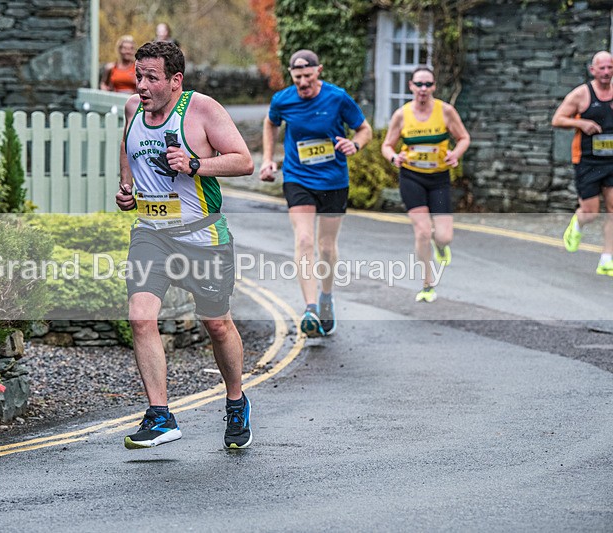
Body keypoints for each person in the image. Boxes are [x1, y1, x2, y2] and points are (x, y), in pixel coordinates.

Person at [115, 41, 255, 449]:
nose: (141, 85)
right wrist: (126, 188)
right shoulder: (131, 110)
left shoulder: (203, 109)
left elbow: (243, 160)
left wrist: (196, 164)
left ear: (175, 81)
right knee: (141, 317)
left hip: (202, 236)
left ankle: (235, 400)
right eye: (138, 76)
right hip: (151, 234)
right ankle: (160, 416)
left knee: (216, 323)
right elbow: (128, 150)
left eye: (151, 78)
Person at [260, 49, 372, 337]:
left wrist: (354, 145)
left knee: (327, 246)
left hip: (334, 179)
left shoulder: (337, 97)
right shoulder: (283, 100)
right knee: (305, 239)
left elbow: (364, 129)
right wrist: (268, 158)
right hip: (298, 177)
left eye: (308, 77)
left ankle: (325, 297)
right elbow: (270, 122)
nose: (303, 83)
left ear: (318, 71)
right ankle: (309, 308)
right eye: (298, 78)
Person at [381, 66, 471, 303]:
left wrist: (456, 154)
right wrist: (394, 158)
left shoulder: (445, 111)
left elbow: (463, 138)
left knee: (444, 236)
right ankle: (427, 284)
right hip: (412, 177)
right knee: (422, 231)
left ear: (434, 87)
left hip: (439, 179)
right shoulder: (401, 115)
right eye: (418, 84)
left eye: (427, 84)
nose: (423, 89)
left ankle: (441, 247)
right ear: (410, 86)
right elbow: (387, 145)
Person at [552, 51, 613, 277]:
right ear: (593, 70)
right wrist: (583, 123)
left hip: (612, 162)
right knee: (591, 212)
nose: (606, 72)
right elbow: (557, 119)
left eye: (610, 68)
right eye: (602, 68)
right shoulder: (581, 94)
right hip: (587, 161)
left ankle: (607, 259)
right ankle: (577, 224)